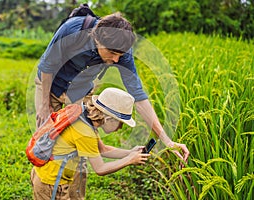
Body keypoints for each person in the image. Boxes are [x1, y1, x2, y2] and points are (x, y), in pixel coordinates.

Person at [34, 12, 189, 199]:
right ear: (97, 41)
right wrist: (44, 106)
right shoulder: (72, 30)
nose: (116, 60)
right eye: (112, 53)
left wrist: (167, 140)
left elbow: (139, 97)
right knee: (47, 144)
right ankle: (42, 190)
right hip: (50, 87)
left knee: (81, 152)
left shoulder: (122, 51)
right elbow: (47, 67)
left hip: (80, 93)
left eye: (120, 55)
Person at [31, 87, 151, 200]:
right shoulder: (85, 132)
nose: (120, 128)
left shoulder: (85, 117)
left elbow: (103, 150)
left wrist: (130, 152)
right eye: (120, 123)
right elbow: (100, 169)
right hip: (51, 184)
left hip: (45, 175)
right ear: (109, 119)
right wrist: (129, 160)